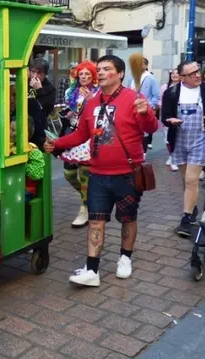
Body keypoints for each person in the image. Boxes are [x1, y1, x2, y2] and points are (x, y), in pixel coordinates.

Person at [45, 55, 158, 287]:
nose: (102, 72)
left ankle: (125, 258)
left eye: (107, 68)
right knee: (96, 221)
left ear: (120, 74)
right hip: (97, 173)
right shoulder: (92, 101)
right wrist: (57, 143)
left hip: (127, 172)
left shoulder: (134, 98)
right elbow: (81, 135)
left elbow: (151, 128)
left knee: (128, 218)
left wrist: (146, 113)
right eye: (100, 69)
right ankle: (92, 269)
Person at [161, 60, 205, 237]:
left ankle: (186, 219)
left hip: (200, 139)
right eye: (192, 73)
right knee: (186, 180)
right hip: (180, 139)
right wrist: (169, 121)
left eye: (198, 71)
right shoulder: (171, 93)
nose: (197, 75)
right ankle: (192, 207)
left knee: (191, 180)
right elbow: (164, 116)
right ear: (182, 77)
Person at [62, 61, 98, 228]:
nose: (83, 77)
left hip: (89, 136)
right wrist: (68, 114)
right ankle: (89, 196)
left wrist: (92, 100)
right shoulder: (71, 91)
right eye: (81, 74)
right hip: (73, 134)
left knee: (84, 173)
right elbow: (72, 111)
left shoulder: (98, 92)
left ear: (93, 76)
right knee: (68, 173)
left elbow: (100, 112)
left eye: (87, 74)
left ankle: (84, 209)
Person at [138, 58, 160, 154]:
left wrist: (149, 105)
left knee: (144, 132)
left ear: (146, 66)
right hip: (133, 108)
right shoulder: (132, 77)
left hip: (145, 108)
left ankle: (143, 154)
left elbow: (156, 96)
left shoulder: (151, 78)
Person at [160, 68, 181, 172]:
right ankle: (171, 155)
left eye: (177, 73)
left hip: (178, 116)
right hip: (167, 115)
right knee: (167, 138)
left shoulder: (183, 88)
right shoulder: (165, 87)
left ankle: (175, 157)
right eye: (173, 73)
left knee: (176, 137)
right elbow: (161, 100)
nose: (174, 75)